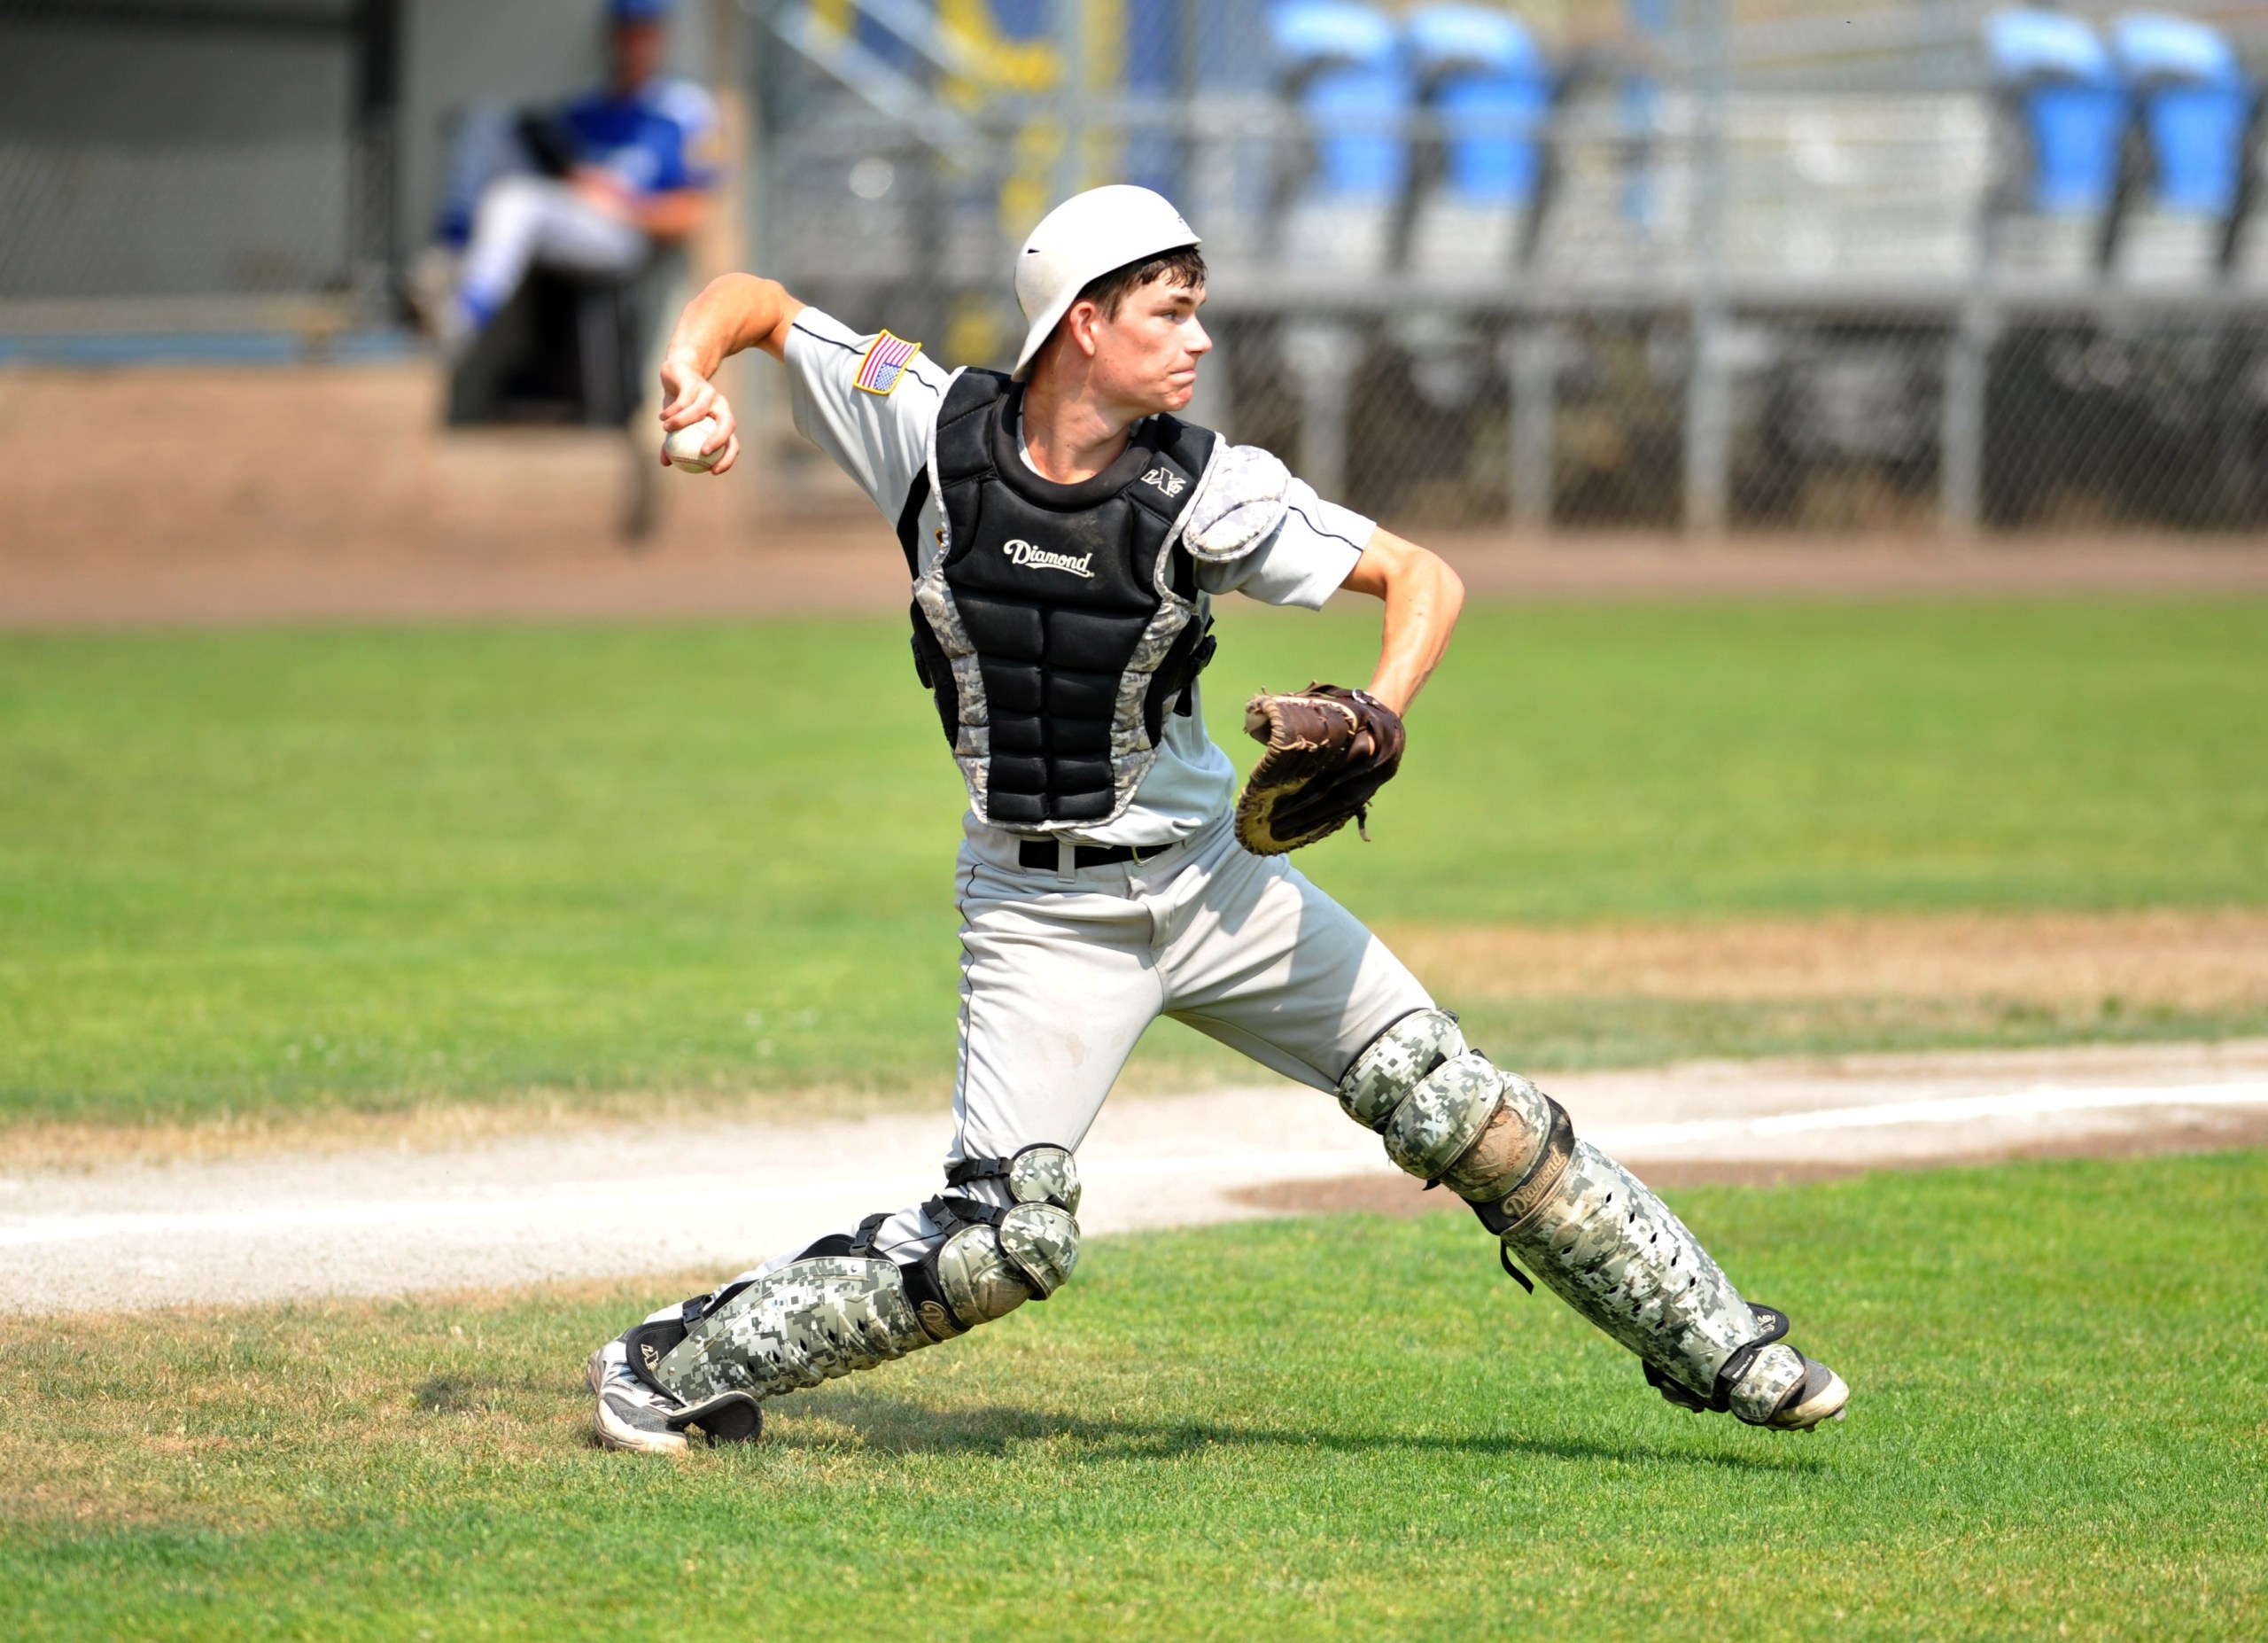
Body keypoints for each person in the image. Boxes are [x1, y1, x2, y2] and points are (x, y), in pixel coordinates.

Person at [585, 184, 1850, 1452]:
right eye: (1171, 312)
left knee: (1456, 1104)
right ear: (1083, 322)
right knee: (1003, 1242)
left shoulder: (1208, 489)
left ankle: (1728, 1347)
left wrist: (1378, 706)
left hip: (1219, 888)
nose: (1198, 341)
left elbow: (1425, 576)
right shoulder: (926, 422)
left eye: (1200, 313)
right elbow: (757, 307)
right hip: (1043, 914)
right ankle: (666, 1363)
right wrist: (691, 373)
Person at [409, 0, 720, 351]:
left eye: (645, 33)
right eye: (627, 33)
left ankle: (457, 321)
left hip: (626, 234)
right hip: (571, 215)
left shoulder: (686, 107)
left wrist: (619, 201)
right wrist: (574, 177)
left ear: (662, 36)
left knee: (514, 201)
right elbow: (557, 166)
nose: (636, 44)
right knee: (483, 123)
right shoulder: (588, 103)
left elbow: (692, 216)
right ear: (612, 37)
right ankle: (448, 256)